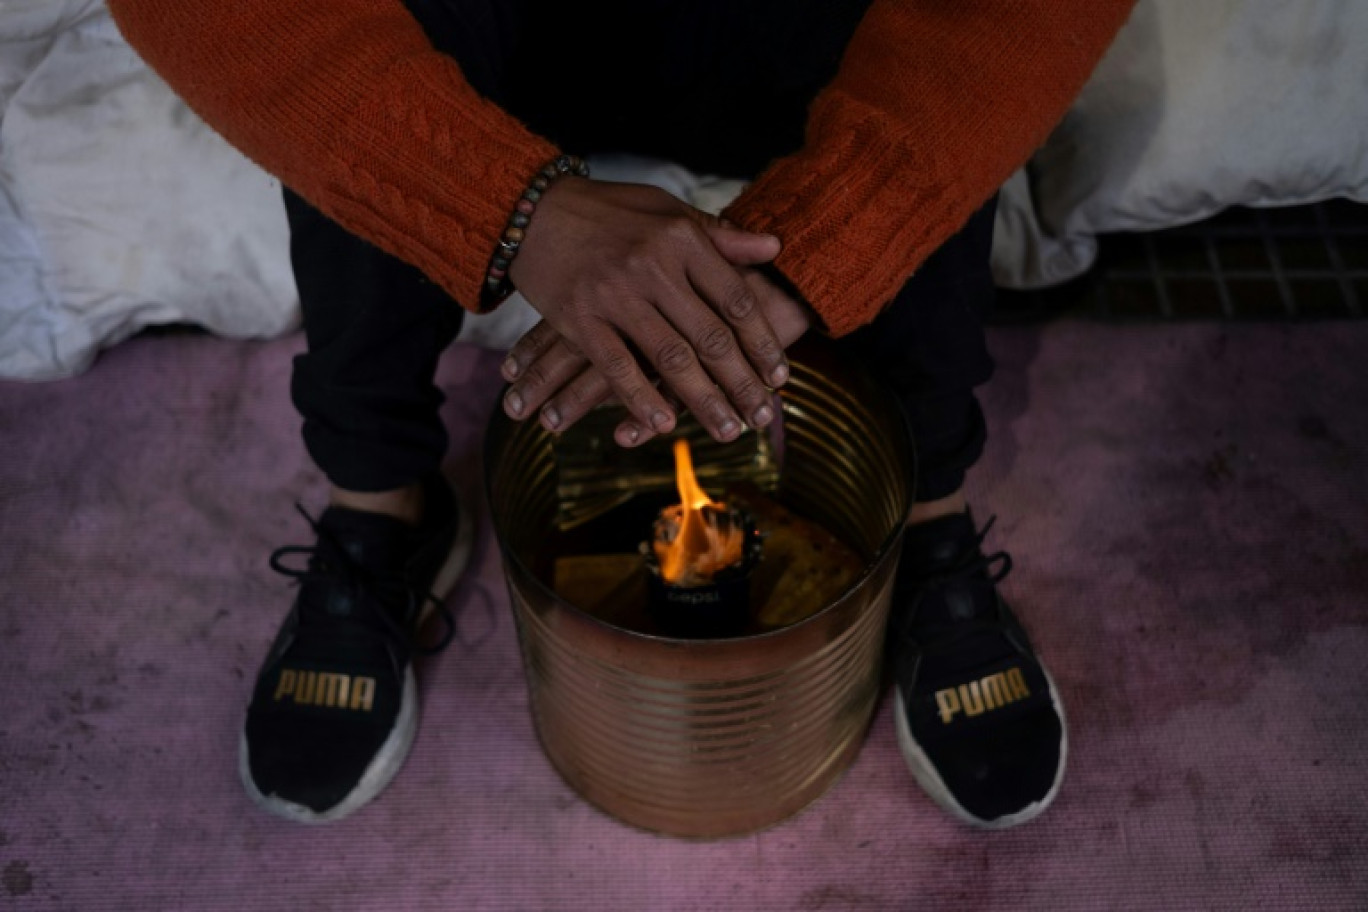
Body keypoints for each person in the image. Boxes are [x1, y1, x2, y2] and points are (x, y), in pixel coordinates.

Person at [108, 0, 1135, 828]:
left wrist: (827, 236)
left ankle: (921, 518)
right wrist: (509, 211)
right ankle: (383, 507)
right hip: (495, 51)